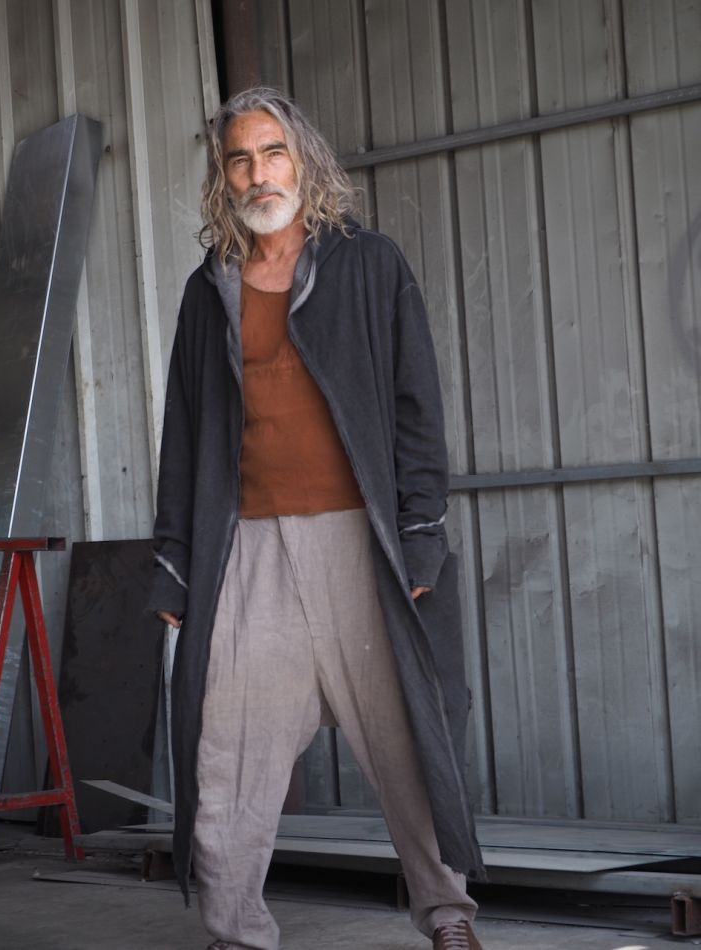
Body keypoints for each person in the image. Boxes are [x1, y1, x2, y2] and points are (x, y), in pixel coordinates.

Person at [148, 86, 485, 950]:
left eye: (273, 153)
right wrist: (174, 564)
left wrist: (420, 535)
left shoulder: (370, 266)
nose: (259, 174)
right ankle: (236, 932)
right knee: (226, 750)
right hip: (246, 552)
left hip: (359, 546)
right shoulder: (208, 291)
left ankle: (448, 916)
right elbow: (184, 434)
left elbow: (417, 409)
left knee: (410, 741)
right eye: (240, 159)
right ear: (223, 178)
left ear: (303, 161)